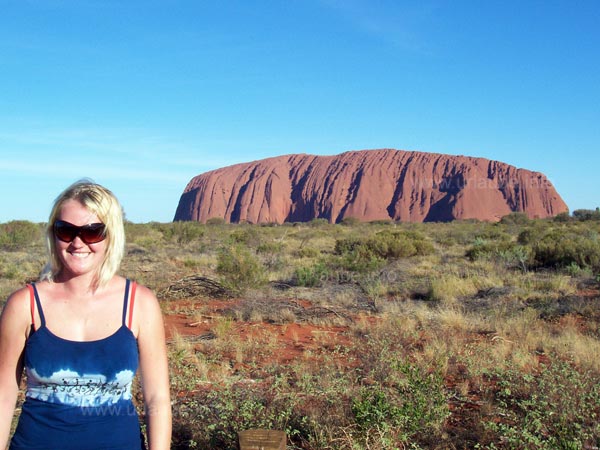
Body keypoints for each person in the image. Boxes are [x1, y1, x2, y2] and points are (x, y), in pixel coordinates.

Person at [0, 180, 171, 450]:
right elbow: (4, 393)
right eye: (65, 230)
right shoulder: (25, 304)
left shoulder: (140, 303)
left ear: (111, 235)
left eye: (92, 232)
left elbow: (157, 398)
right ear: (52, 234)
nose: (77, 242)